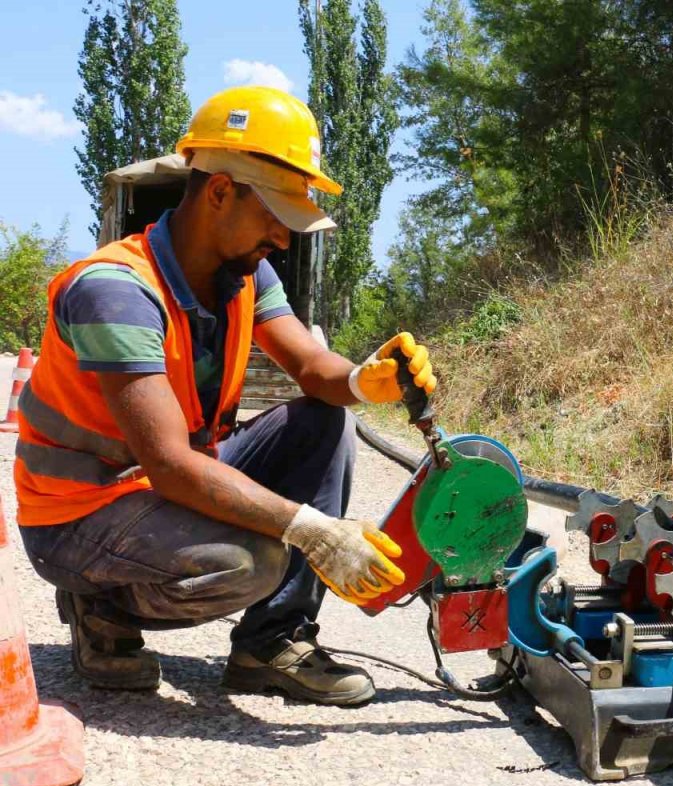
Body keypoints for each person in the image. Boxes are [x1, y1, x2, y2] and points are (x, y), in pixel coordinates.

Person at [13, 86, 434, 706]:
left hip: (161, 486)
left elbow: (310, 365)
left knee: (327, 420)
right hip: (79, 514)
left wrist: (357, 381)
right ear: (218, 192)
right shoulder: (116, 290)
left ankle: (272, 642)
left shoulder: (245, 273)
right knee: (252, 562)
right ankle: (101, 605)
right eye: (275, 216)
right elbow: (169, 465)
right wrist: (312, 530)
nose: (283, 240)